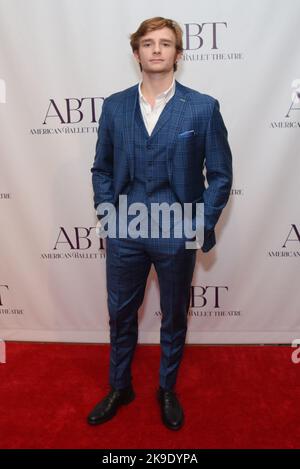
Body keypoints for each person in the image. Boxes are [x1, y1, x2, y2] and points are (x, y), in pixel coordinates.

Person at [88, 17, 232, 431]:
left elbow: (220, 175)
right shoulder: (115, 106)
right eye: (147, 43)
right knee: (120, 314)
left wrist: (198, 223)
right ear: (136, 53)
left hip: (176, 230)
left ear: (178, 55)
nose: (156, 49)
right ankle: (120, 386)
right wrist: (107, 214)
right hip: (125, 228)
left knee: (174, 316)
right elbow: (102, 167)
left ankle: (166, 387)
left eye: (165, 43)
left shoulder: (202, 107)